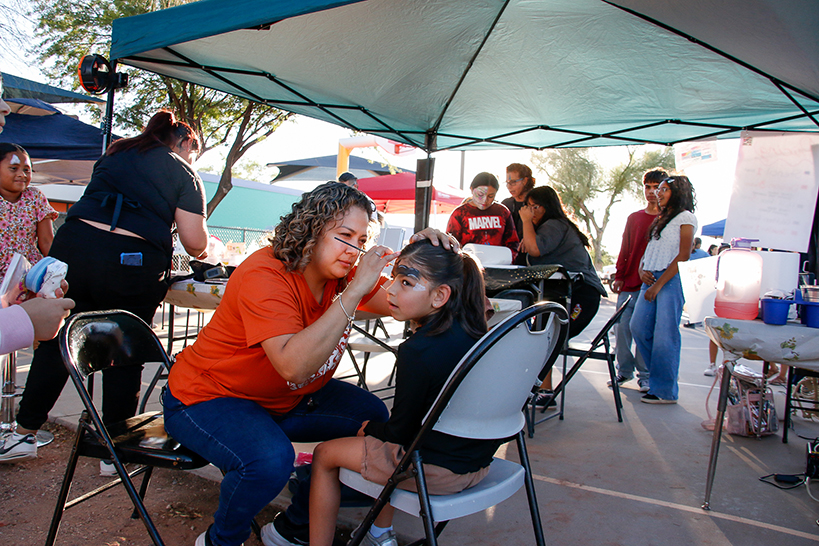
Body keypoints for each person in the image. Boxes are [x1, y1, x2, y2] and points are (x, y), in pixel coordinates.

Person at [161, 182, 454, 546]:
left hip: (286, 399)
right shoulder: (265, 273)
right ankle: (221, 540)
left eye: (361, 241)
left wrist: (417, 253)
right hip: (206, 397)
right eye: (345, 235)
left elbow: (401, 302)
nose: (354, 251)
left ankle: (292, 527)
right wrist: (353, 293)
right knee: (269, 461)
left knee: (377, 427)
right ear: (312, 229)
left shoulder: (341, 274)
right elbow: (293, 367)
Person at [10, 110, 208, 465]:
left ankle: (24, 431)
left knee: (57, 339)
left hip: (73, 252)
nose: (194, 158)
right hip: (130, 265)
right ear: (185, 143)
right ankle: (114, 449)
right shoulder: (183, 170)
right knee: (123, 348)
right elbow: (195, 243)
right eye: (195, 151)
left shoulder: (117, 151)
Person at [307, 239, 496, 546]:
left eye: (406, 282)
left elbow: (399, 433)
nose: (390, 290)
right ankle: (380, 535)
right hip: (477, 463)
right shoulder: (477, 333)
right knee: (385, 446)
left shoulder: (417, 351)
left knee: (325, 453)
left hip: (435, 471)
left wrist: (371, 428)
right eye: (393, 278)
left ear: (440, 296)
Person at [631, 175, 697, 404]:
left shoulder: (686, 217)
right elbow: (651, 250)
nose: (659, 193)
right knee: (637, 327)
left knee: (665, 336)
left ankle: (665, 390)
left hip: (670, 279)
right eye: (658, 189)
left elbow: (684, 255)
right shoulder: (661, 218)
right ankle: (660, 376)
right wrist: (641, 270)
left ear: (678, 192)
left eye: (664, 189)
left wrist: (659, 285)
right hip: (649, 276)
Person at [519, 186, 607, 338]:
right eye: (529, 207)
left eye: (535, 207)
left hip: (582, 294)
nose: (531, 212)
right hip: (563, 294)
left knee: (552, 337)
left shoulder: (555, 225)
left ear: (547, 206)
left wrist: (526, 221)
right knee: (542, 340)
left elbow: (535, 249)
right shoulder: (553, 226)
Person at [608, 168, 665, 393]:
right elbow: (626, 247)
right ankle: (624, 371)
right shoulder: (634, 218)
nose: (651, 192)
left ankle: (645, 375)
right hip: (629, 283)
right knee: (621, 329)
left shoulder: (668, 219)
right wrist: (620, 274)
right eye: (647, 187)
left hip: (651, 285)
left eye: (656, 187)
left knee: (643, 331)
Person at [0, 143, 58, 278]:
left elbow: (46, 241)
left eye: (27, 170)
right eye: (14, 168)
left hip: (28, 274)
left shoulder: (35, 197)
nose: (22, 174)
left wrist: (56, 271)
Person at [446, 172, 519, 260]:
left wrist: (509, 258)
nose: (485, 200)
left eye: (491, 196)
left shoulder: (502, 211)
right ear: (472, 189)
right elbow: (450, 243)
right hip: (468, 266)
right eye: (480, 195)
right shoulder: (459, 213)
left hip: (499, 266)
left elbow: (513, 242)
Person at [502, 163, 536, 241]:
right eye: (507, 183)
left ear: (525, 181)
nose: (509, 187)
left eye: (513, 182)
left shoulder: (537, 204)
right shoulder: (506, 204)